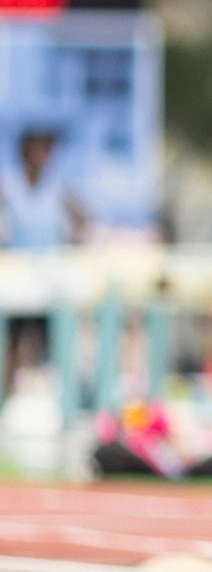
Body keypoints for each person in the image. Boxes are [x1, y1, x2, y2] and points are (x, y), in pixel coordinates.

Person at [0, 129, 89, 384]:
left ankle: (67, 398)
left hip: (49, 280)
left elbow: (84, 218)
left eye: (47, 151)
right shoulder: (10, 186)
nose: (44, 157)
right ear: (26, 153)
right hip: (16, 281)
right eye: (39, 150)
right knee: (11, 344)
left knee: (57, 344)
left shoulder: (57, 188)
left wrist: (72, 240)